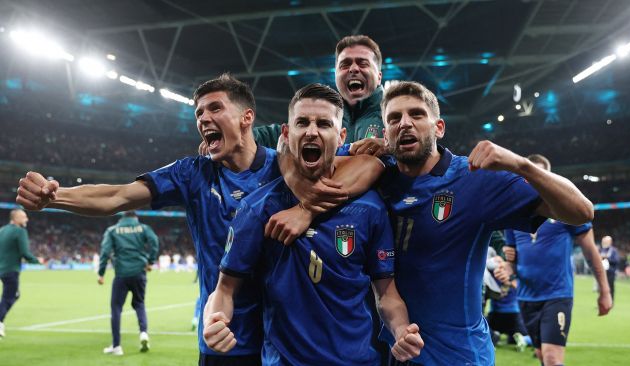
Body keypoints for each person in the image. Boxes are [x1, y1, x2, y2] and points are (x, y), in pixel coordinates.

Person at [16, 73, 383, 365]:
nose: (204, 118)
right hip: (225, 336)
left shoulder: (287, 163)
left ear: (246, 118)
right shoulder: (191, 174)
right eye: (199, 114)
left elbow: (368, 163)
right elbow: (118, 195)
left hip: (285, 341)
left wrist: (307, 208)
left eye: (214, 109)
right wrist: (56, 197)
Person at [375, 81, 595, 365]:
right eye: (394, 118)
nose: (404, 123)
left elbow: (582, 211)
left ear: (438, 127)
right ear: (385, 134)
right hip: (392, 352)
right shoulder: (377, 181)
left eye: (416, 114)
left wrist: (521, 164)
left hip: (459, 356)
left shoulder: (474, 178)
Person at [203, 83, 423, 365]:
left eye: (323, 124)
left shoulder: (370, 208)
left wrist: (401, 330)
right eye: (302, 122)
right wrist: (214, 320)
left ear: (341, 135)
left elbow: (387, 293)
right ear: (286, 134)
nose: (311, 131)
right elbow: (224, 289)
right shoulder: (257, 208)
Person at [498, 154, 612, 366]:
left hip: (557, 294)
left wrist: (604, 291)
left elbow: (591, 253)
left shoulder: (564, 210)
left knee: (551, 358)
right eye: (528, 175)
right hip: (526, 297)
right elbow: (512, 261)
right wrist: (507, 268)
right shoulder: (514, 216)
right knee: (542, 356)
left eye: (539, 174)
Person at [98, 211, 159, 356]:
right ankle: (143, 333)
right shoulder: (143, 228)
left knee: (116, 308)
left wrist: (101, 273)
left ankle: (117, 346)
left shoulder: (112, 230)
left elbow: (105, 251)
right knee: (139, 304)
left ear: (122, 218)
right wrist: (150, 261)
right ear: (135, 217)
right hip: (139, 272)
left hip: (122, 274)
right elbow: (154, 242)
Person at [0, 209, 41, 339]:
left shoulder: (2, 230)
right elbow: (24, 252)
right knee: (9, 297)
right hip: (11, 270)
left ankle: (0, 321)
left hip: (2, 270)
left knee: (13, 295)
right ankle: (0, 321)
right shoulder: (20, 231)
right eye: (24, 217)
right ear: (16, 218)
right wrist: (37, 261)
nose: (26, 219)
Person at [599, 235, 619, 301]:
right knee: (601, 287)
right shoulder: (601, 249)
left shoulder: (613, 250)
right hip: (602, 271)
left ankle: (611, 302)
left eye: (606, 241)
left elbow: (616, 260)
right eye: (603, 241)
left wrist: (607, 258)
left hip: (610, 271)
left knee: (610, 287)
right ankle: (602, 302)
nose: (604, 242)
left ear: (610, 242)